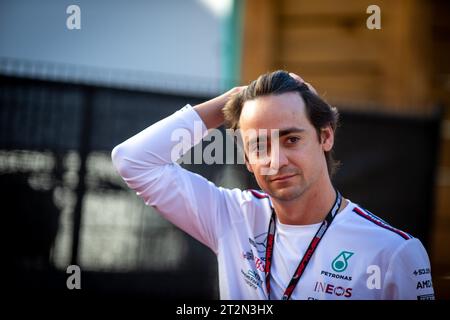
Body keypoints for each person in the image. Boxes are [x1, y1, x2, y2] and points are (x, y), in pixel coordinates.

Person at [111, 70, 434, 300]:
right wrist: (235, 98)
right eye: (259, 146)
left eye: (291, 139)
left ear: (325, 136)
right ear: (247, 160)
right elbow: (133, 160)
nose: (276, 161)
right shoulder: (231, 216)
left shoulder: (394, 251)